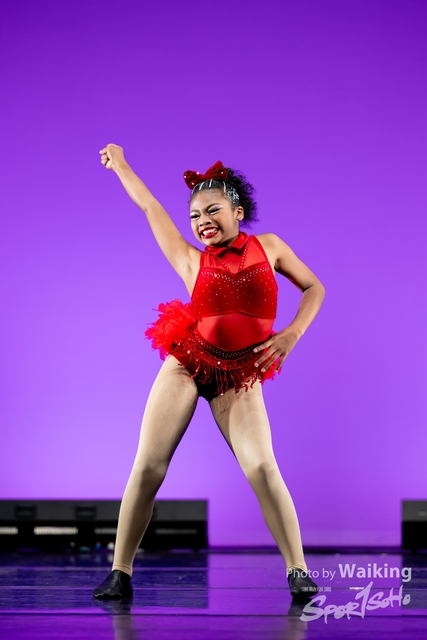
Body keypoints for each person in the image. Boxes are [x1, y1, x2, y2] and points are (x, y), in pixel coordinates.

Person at [92, 146, 325, 602]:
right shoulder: (190, 259)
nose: (202, 221)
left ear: (237, 211)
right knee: (149, 465)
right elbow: (150, 206)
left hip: (240, 375)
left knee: (262, 467)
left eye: (212, 210)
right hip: (190, 363)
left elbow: (314, 286)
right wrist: (121, 164)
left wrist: (292, 334)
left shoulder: (271, 247)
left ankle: (298, 570)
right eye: (195, 215)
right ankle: (120, 572)